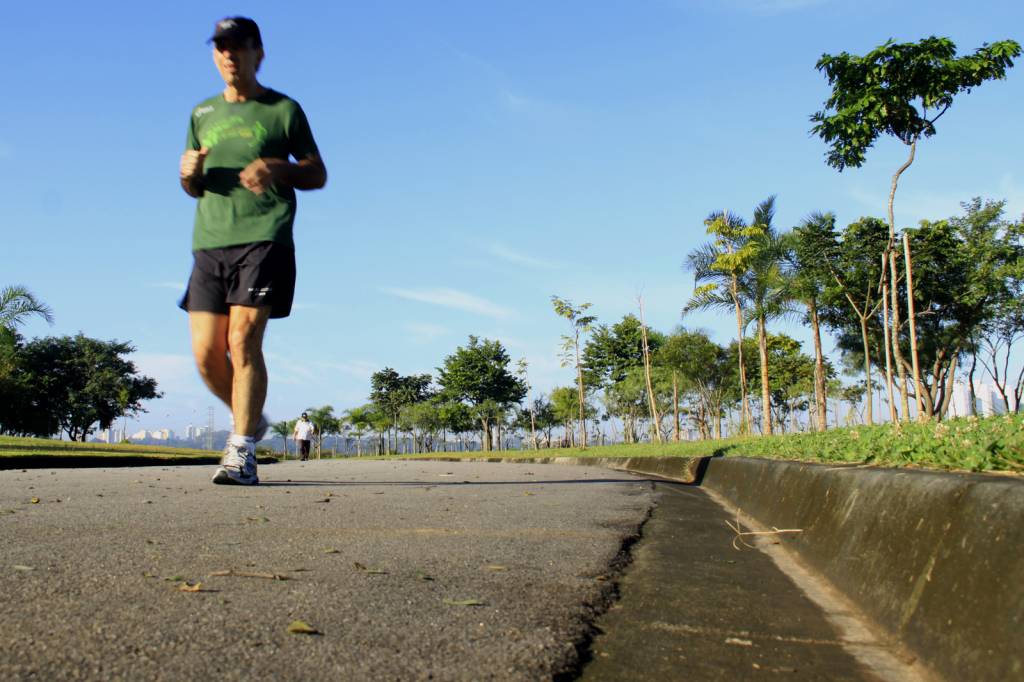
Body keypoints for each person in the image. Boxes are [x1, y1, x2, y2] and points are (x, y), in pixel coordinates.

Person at [178, 17, 327, 485]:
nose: (228, 55)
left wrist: (277, 167)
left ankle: (241, 451)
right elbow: (193, 186)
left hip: (265, 236)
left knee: (242, 341)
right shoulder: (202, 113)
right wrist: (188, 174)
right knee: (206, 354)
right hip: (209, 242)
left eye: (237, 47)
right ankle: (253, 419)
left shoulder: (283, 110)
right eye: (220, 47)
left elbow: (317, 173)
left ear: (258, 53)